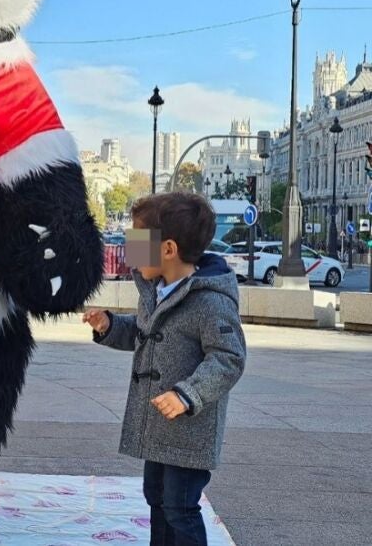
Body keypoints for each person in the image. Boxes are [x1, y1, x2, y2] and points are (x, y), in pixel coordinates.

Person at [83, 192, 246, 546]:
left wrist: (188, 394)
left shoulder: (210, 300)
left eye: (137, 242)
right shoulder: (156, 290)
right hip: (157, 426)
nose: (129, 252)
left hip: (189, 429)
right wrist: (110, 326)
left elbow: (229, 357)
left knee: (181, 506)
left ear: (168, 249)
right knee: (156, 497)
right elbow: (145, 333)